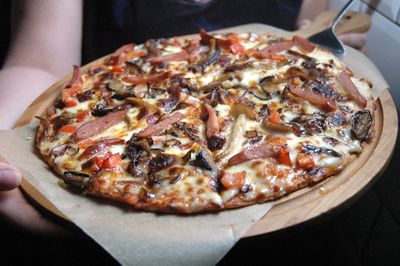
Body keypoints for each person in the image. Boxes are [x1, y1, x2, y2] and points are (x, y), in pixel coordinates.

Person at [0, 0, 367, 235]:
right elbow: (37, 63)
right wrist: (3, 138)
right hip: (112, 148)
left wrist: (323, 65)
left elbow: (306, 34)